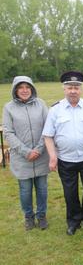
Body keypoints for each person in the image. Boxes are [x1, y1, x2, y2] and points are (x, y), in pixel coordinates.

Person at [42, 71, 83, 235]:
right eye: (70, 87)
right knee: (70, 193)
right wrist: (52, 157)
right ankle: (74, 221)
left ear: (81, 89)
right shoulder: (55, 109)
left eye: (76, 87)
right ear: (64, 89)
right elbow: (48, 136)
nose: (73, 91)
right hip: (65, 159)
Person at [2, 76, 49, 230]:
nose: (24, 90)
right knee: (25, 190)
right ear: (15, 89)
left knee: (42, 188)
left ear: (32, 88)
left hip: (41, 156)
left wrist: (39, 149)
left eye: (27, 87)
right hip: (22, 158)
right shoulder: (8, 108)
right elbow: (8, 133)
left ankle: (41, 215)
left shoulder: (41, 104)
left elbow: (48, 127)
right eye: (20, 87)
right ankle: (29, 216)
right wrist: (25, 151)